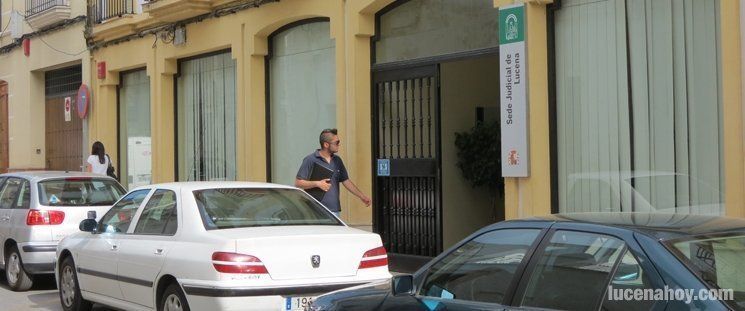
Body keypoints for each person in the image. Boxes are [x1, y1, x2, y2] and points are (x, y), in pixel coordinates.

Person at [296, 128, 371, 218]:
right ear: (326, 144)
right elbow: (298, 183)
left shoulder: (337, 160)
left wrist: (362, 196)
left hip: (334, 211)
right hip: (314, 211)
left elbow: (346, 181)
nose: (339, 145)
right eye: (336, 142)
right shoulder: (310, 160)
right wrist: (317, 183)